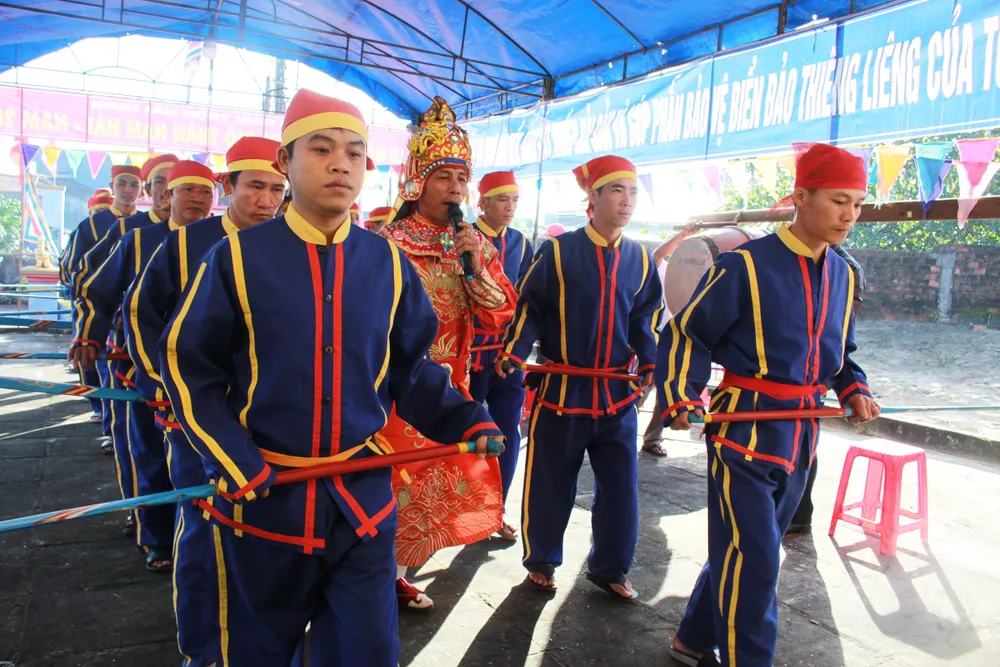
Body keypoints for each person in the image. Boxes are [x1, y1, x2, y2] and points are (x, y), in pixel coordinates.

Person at [160, 89, 503, 666]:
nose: (340, 163)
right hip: (264, 498)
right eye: (320, 149)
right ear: (284, 164)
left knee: (367, 652)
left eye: (354, 151)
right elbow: (188, 369)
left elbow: (410, 370)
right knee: (255, 653)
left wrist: (467, 416)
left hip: (360, 502)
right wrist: (236, 459)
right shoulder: (234, 259)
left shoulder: (387, 262)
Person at [657, 142, 881, 667]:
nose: (850, 215)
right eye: (838, 201)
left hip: (802, 434)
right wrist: (680, 396)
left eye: (857, 203)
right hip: (743, 432)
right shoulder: (744, 266)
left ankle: (692, 638)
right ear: (801, 197)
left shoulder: (845, 275)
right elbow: (687, 334)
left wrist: (854, 388)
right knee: (756, 561)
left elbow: (840, 351)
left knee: (745, 549)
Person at [125, 137, 284, 666]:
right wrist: (162, 391)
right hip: (197, 418)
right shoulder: (185, 244)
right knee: (203, 528)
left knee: (267, 530)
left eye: (277, 189)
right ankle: (204, 649)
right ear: (228, 188)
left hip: (271, 422)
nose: (266, 200)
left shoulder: (293, 245)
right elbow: (140, 319)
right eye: (256, 186)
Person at [496, 155, 663, 599]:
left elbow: (644, 319)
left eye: (632, 192)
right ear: (593, 197)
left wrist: (649, 362)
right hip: (562, 390)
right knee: (551, 482)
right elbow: (530, 308)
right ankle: (543, 560)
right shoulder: (557, 250)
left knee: (621, 488)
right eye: (616, 190)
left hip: (615, 394)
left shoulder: (641, 259)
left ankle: (609, 567)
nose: (626, 201)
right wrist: (514, 351)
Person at [378, 96, 516, 610]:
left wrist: (475, 266)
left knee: (440, 478)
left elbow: (499, 313)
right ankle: (380, 573)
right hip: (398, 386)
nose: (456, 189)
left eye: (462, 178)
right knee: (396, 482)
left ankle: (397, 570)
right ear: (417, 181)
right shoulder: (388, 243)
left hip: (452, 385)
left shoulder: (473, 244)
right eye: (444, 177)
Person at [70, 160, 217, 571]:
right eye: (188, 190)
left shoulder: (224, 240)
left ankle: (201, 539)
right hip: (142, 367)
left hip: (204, 375)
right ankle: (154, 537)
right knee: (147, 452)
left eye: (206, 192)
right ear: (166, 196)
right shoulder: (137, 239)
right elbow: (95, 288)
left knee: (198, 464)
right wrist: (89, 335)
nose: (197, 200)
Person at [784, 244, 868, 538]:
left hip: (807, 402)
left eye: (856, 297)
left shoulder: (841, 280)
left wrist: (855, 389)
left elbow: (840, 352)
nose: (854, 303)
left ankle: (799, 515)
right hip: (767, 405)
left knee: (805, 452)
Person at [468, 170, 532, 540]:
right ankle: (458, 508)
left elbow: (525, 301)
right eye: (502, 200)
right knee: (465, 435)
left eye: (514, 201)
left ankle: (496, 510)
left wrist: (517, 348)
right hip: (468, 355)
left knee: (508, 433)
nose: (509, 208)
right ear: (483, 203)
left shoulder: (522, 242)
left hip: (507, 356)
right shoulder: (462, 237)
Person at [60, 165, 141, 437]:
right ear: (112, 186)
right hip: (102, 310)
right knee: (103, 368)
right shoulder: (92, 224)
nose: (128, 190)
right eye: (122, 184)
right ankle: (106, 421)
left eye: (134, 184)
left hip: (135, 314)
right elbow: (74, 269)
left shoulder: (145, 224)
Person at [638, 225, 701, 457]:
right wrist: (682, 235)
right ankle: (615, 427)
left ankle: (652, 438)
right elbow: (656, 256)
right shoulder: (662, 267)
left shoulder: (699, 275)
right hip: (651, 338)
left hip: (678, 341)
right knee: (640, 386)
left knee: (667, 393)